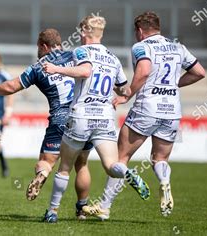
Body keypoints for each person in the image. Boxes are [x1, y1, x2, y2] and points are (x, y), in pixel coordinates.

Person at [82, 11, 206, 220]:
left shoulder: (142, 46)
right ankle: (164, 183)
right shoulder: (178, 47)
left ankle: (104, 207)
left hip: (147, 108)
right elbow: (200, 72)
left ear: (140, 31)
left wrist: (127, 95)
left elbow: (144, 71)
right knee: (159, 159)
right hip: (172, 111)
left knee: (120, 157)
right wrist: (174, 84)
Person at [0, 28, 93, 220]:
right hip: (83, 114)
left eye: (38, 47)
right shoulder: (76, 56)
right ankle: (81, 210)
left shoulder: (38, 67)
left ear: (44, 46)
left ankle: (43, 177)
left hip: (60, 116)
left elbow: (11, 87)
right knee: (81, 164)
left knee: (46, 162)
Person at [41, 15, 150, 222]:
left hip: (82, 114)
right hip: (106, 117)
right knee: (111, 165)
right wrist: (123, 96)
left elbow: (85, 71)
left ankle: (52, 212)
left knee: (64, 167)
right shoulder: (113, 57)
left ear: (84, 32)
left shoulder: (81, 51)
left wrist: (56, 69)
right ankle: (126, 172)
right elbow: (124, 88)